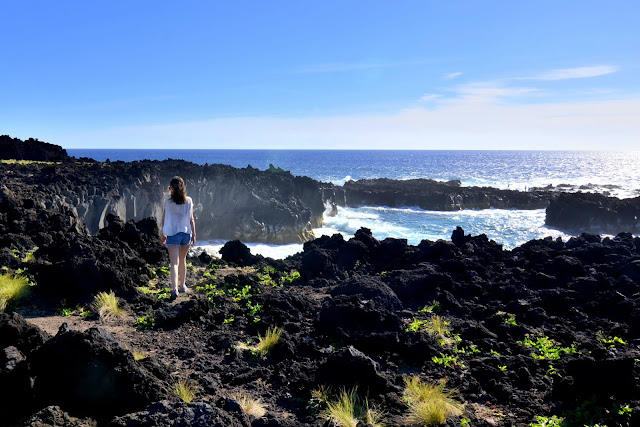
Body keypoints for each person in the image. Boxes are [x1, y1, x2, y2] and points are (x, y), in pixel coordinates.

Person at [161, 176, 196, 298]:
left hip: (172, 234)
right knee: (183, 260)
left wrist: (163, 234)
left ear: (171, 188)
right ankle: (182, 286)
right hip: (186, 234)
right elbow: (191, 219)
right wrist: (194, 235)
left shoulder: (167, 202)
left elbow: (164, 219)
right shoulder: (189, 201)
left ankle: (174, 289)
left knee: (174, 263)